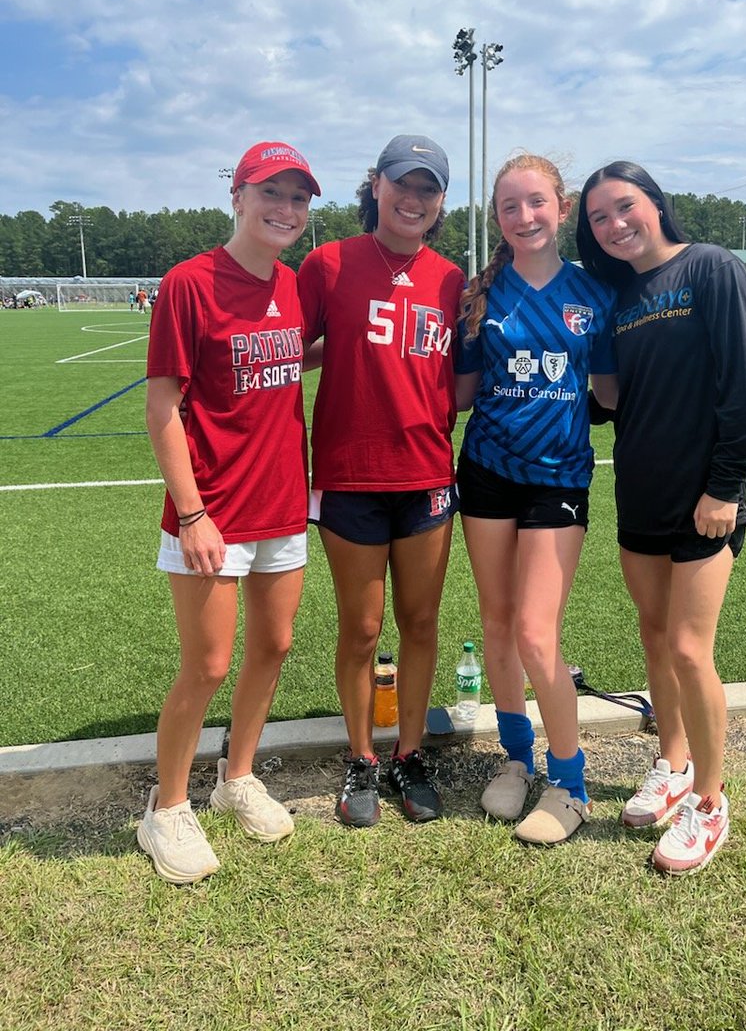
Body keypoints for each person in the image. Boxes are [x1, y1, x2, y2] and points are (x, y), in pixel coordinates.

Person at [576, 160, 746, 874]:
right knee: (655, 639)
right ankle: (674, 763)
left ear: (655, 203)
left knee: (690, 649)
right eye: (598, 217)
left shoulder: (712, 270)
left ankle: (711, 802)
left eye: (625, 206)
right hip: (642, 492)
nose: (615, 223)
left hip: (706, 499)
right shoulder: (621, 297)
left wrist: (726, 485)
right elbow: (614, 400)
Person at [140, 140, 321, 884]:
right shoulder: (190, 283)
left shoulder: (295, 284)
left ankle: (237, 776)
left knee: (273, 647)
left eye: (298, 198)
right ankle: (168, 806)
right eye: (269, 193)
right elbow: (163, 407)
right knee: (207, 663)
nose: (285, 210)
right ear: (238, 198)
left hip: (282, 502)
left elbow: (284, 354)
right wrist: (191, 513)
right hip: (210, 512)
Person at [297, 135, 464, 828]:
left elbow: (464, 371)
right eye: (403, 183)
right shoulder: (328, 263)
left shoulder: (453, 281)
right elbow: (292, 349)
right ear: (375, 184)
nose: (414, 199)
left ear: (441, 202)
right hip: (349, 477)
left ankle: (411, 754)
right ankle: (363, 757)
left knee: (420, 622)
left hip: (426, 475)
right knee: (362, 629)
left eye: (428, 189)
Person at [455, 154, 617, 846]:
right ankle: (517, 762)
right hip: (488, 473)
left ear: (562, 206)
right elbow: (460, 395)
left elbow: (610, 393)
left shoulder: (595, 293)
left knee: (534, 632)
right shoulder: (479, 295)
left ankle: (571, 782)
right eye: (510, 207)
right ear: (498, 219)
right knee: (496, 624)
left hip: (558, 479)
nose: (524, 217)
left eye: (536, 203)